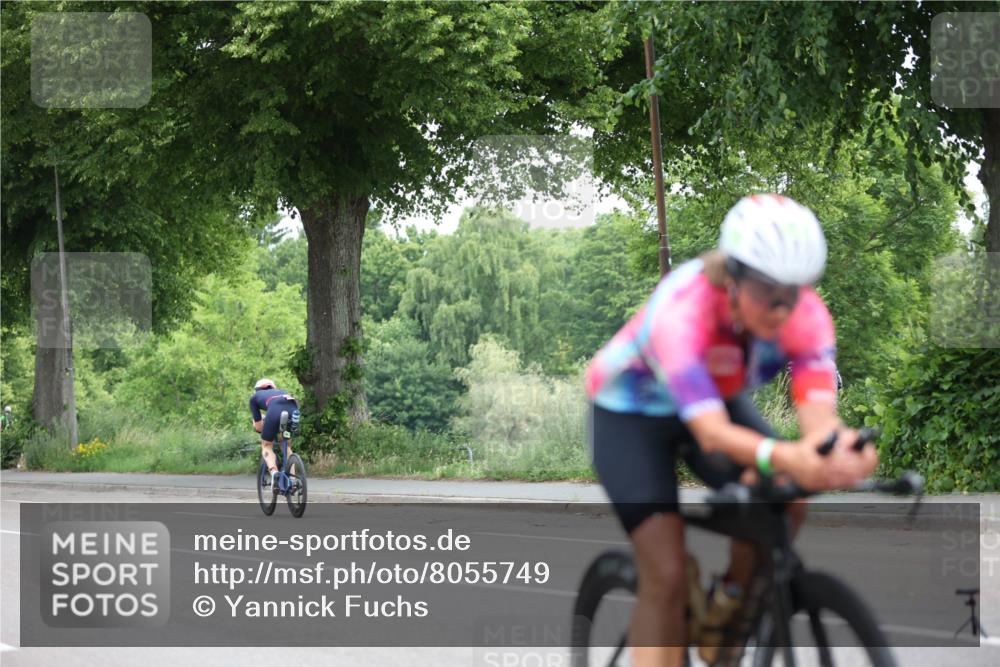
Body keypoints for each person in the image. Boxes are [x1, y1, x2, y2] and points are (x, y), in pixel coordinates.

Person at [585, 194, 877, 667]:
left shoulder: (805, 313)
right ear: (733, 277)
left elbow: (818, 422)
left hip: (713, 398)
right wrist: (788, 456)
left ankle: (729, 609)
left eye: (795, 292)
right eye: (768, 293)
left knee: (788, 498)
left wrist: (836, 450)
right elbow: (711, 433)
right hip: (629, 416)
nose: (783, 310)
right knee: (667, 572)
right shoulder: (684, 309)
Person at [249, 379, 299, 493]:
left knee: (266, 445)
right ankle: (293, 479)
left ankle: (274, 473)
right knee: (286, 445)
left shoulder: (255, 398)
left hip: (274, 410)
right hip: (292, 406)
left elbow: (259, 427)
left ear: (258, 389)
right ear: (272, 387)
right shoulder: (282, 391)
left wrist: (261, 424)